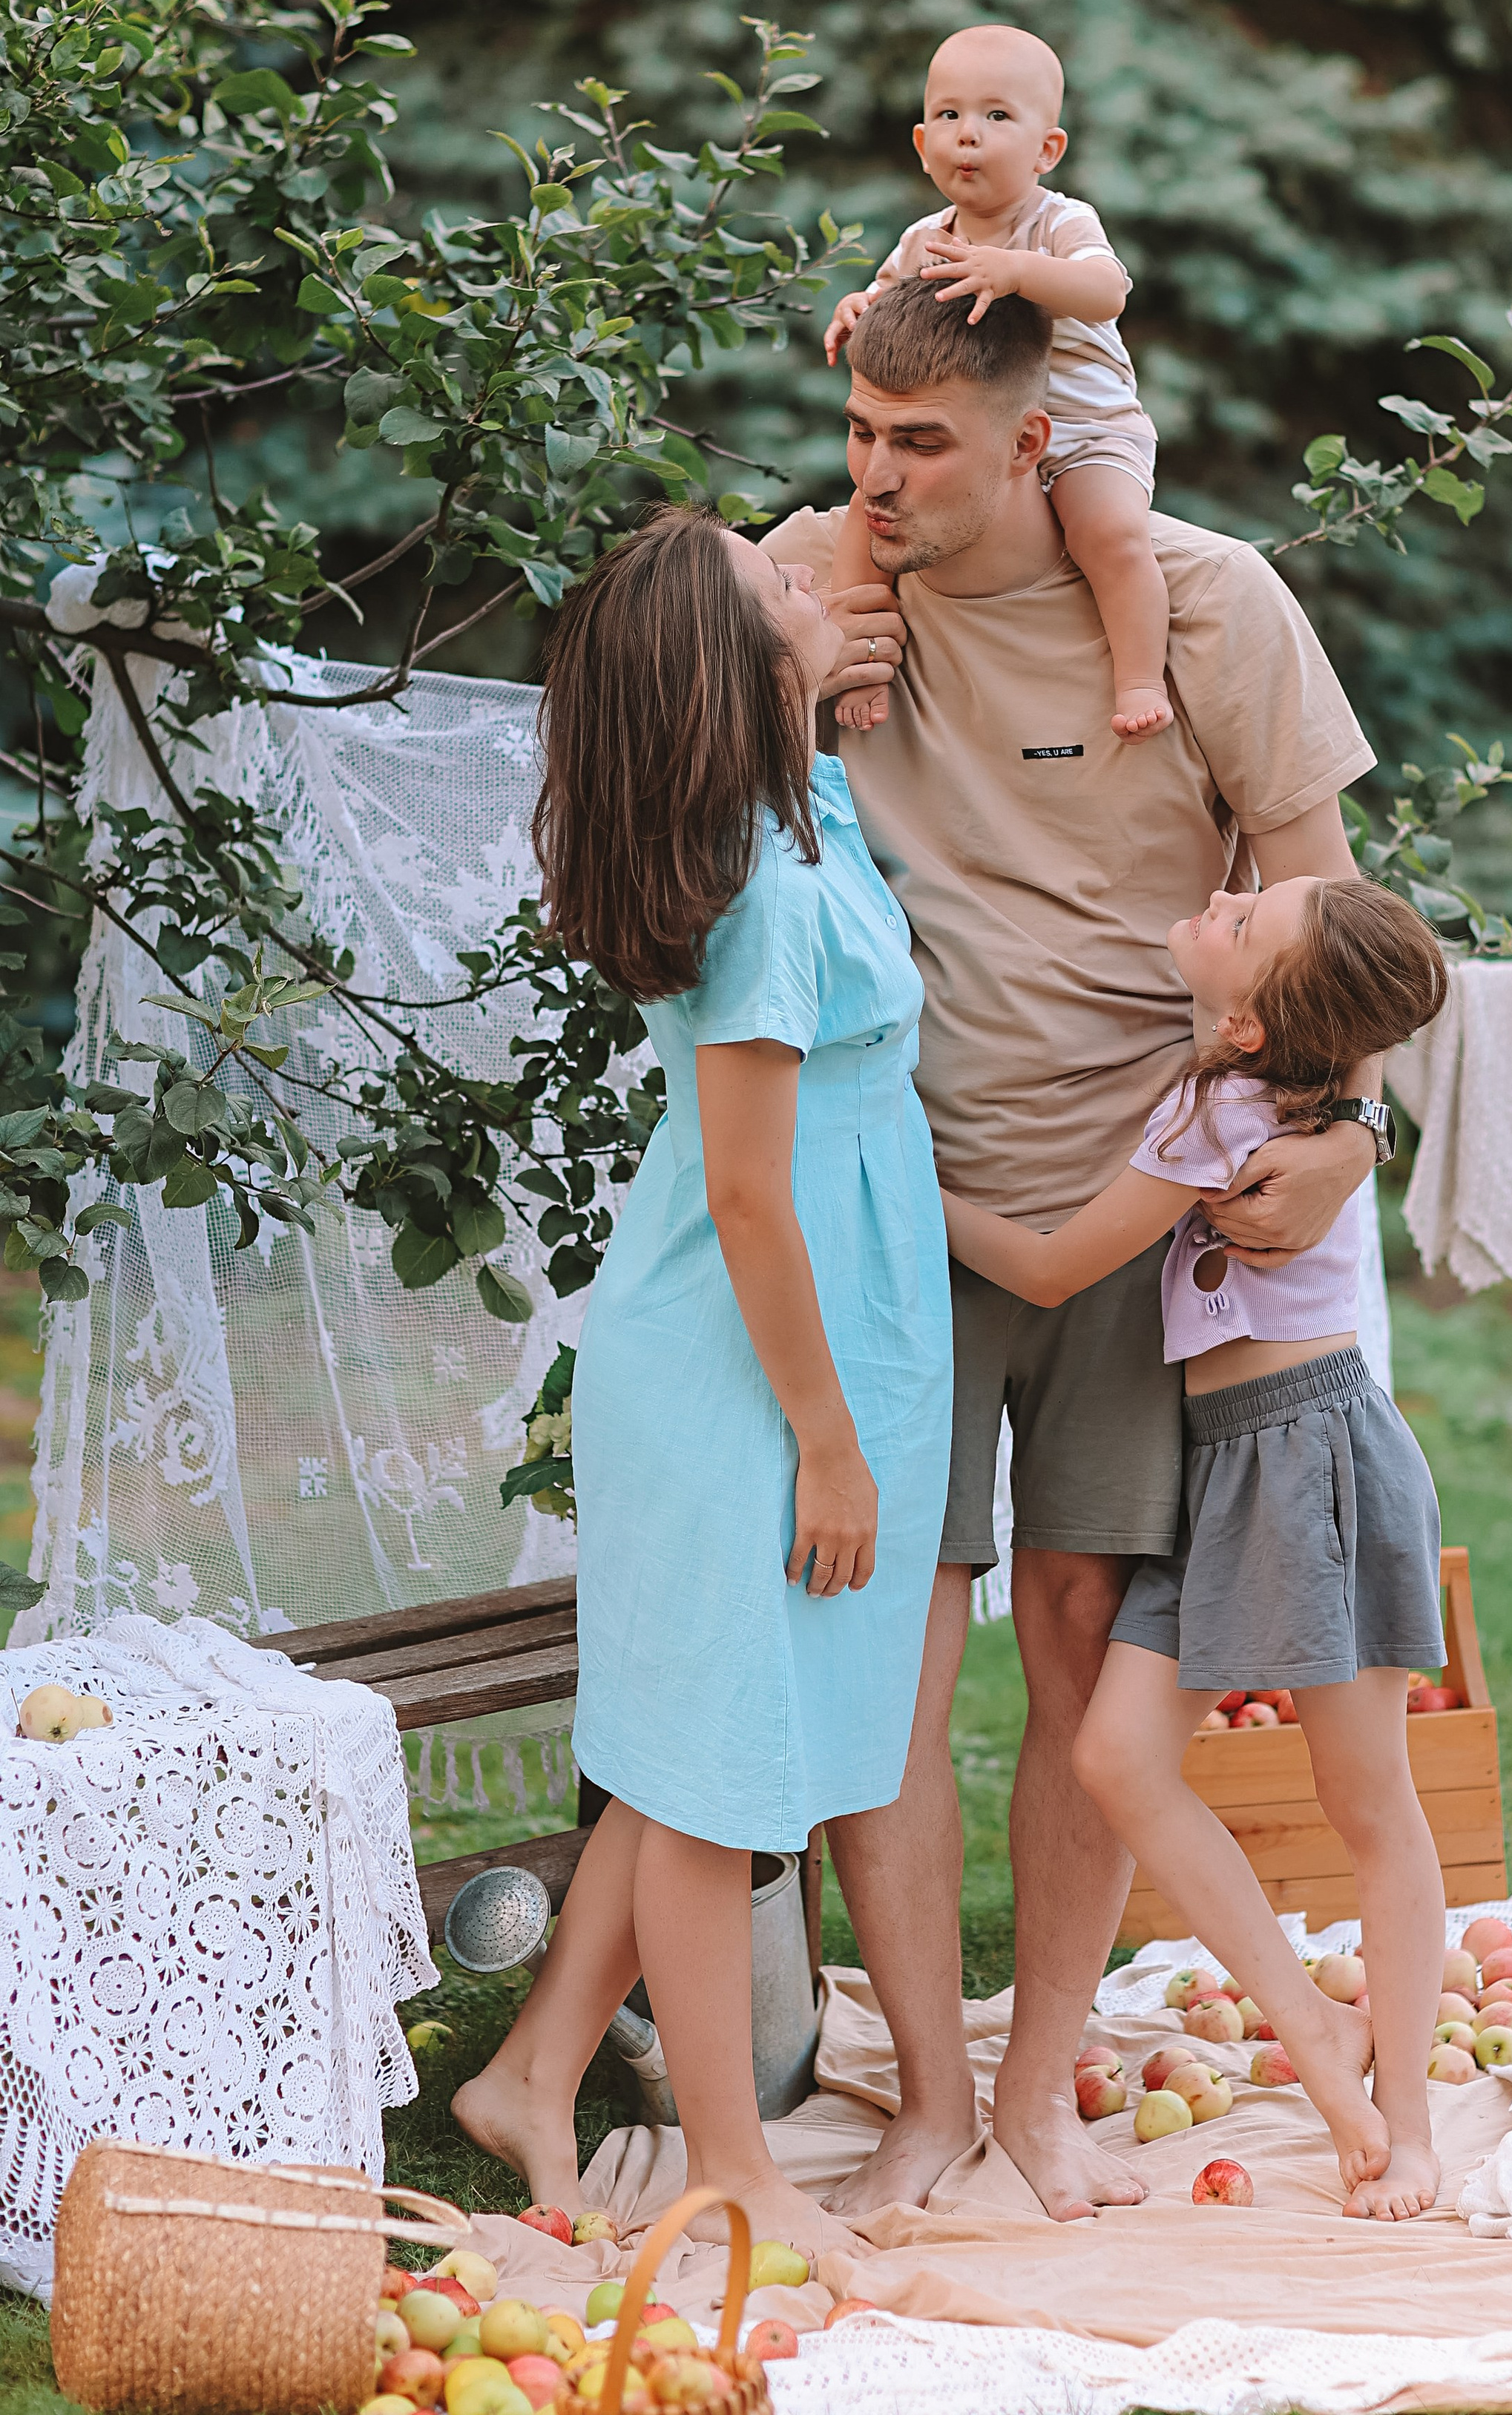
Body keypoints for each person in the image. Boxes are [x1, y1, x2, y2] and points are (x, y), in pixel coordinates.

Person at [766, 277, 1388, 2225]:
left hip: (1148, 1229)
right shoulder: (819, 590)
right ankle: (930, 2100)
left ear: (1042, 440)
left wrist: (1351, 1132)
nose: (877, 477)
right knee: (892, 1660)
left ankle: (1036, 2093)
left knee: (1068, 1647)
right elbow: (652, 707)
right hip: (901, 1217)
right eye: (859, 433)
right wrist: (787, 615)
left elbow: (1332, 921)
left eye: (920, 443)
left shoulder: (1205, 607)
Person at [452, 509, 951, 2252]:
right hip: (744, 1363)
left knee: (690, 1753)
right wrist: (824, 1437)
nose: (813, 582)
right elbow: (747, 1191)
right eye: (782, 591)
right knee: (716, 1764)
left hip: (821, 1337)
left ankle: (529, 2070)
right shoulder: (753, 887)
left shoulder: (794, 807)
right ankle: (734, 2163)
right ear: (742, 674)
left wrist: (787, 608)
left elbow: (776, 588)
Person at [941, 870, 1451, 2219]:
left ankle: (1401, 2119)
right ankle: (1329, 2053)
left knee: (1370, 1803)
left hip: (1306, 1457)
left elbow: (1052, 1269)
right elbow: (1375, 1013)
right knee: (1114, 1757)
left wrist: (887, 1186)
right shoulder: (1267, 1087)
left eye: (1245, 921)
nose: (1222, 893)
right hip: (1222, 1467)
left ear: (1248, 1027)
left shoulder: (1227, 1112)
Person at [823, 22, 1173, 740]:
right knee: (865, 517)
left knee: (1106, 531)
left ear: (1048, 149)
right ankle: (860, 657)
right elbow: (892, 303)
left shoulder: (1057, 222)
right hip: (979, 434)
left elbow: (1107, 291)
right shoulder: (924, 238)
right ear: (923, 144)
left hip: (1084, 426)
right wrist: (857, 307)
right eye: (948, 116)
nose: (967, 136)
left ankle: (1139, 674)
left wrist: (1014, 272)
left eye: (996, 116)